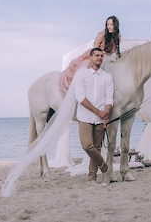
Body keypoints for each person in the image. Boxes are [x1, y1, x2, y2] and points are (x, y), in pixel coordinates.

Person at [73, 47, 114, 184]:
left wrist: (105, 114)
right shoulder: (81, 75)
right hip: (84, 117)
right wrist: (98, 112)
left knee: (97, 148)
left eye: (101, 56)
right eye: (96, 55)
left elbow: (109, 99)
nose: (99, 58)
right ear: (91, 57)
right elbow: (80, 97)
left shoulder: (107, 77)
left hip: (101, 119)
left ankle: (92, 177)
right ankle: (105, 168)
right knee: (87, 145)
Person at [58, 15, 121, 95]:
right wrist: (103, 54)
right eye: (107, 24)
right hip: (96, 56)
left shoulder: (117, 37)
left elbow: (115, 51)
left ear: (115, 25)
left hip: (108, 57)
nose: (109, 27)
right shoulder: (102, 35)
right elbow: (95, 49)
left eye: (111, 24)